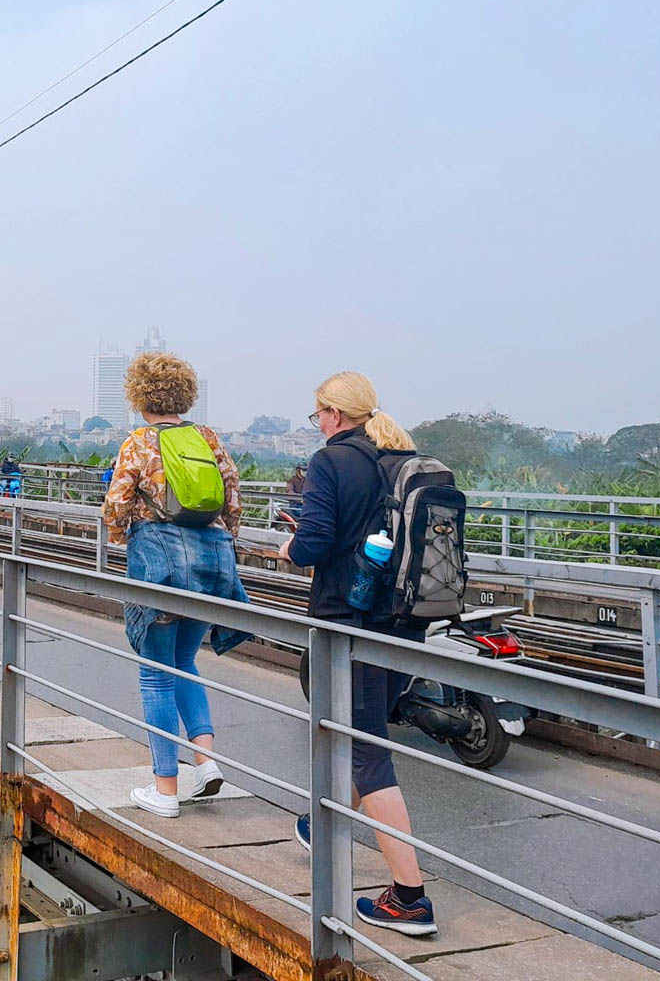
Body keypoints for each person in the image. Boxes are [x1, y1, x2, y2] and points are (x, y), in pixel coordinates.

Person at [283, 371, 436, 937]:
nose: (318, 423)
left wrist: (291, 546)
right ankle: (321, 822)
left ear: (334, 414)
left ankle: (410, 898)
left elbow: (315, 543)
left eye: (318, 414)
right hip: (404, 621)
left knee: (367, 750)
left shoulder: (331, 461)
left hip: (352, 622)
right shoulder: (402, 458)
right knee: (359, 734)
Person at [102, 352, 250, 819]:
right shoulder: (207, 438)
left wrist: (123, 537)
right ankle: (206, 763)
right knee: (185, 662)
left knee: (155, 673)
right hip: (211, 565)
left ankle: (165, 789)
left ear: (139, 395)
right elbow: (233, 500)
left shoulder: (139, 443)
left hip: (161, 565)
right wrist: (220, 542)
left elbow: (116, 504)